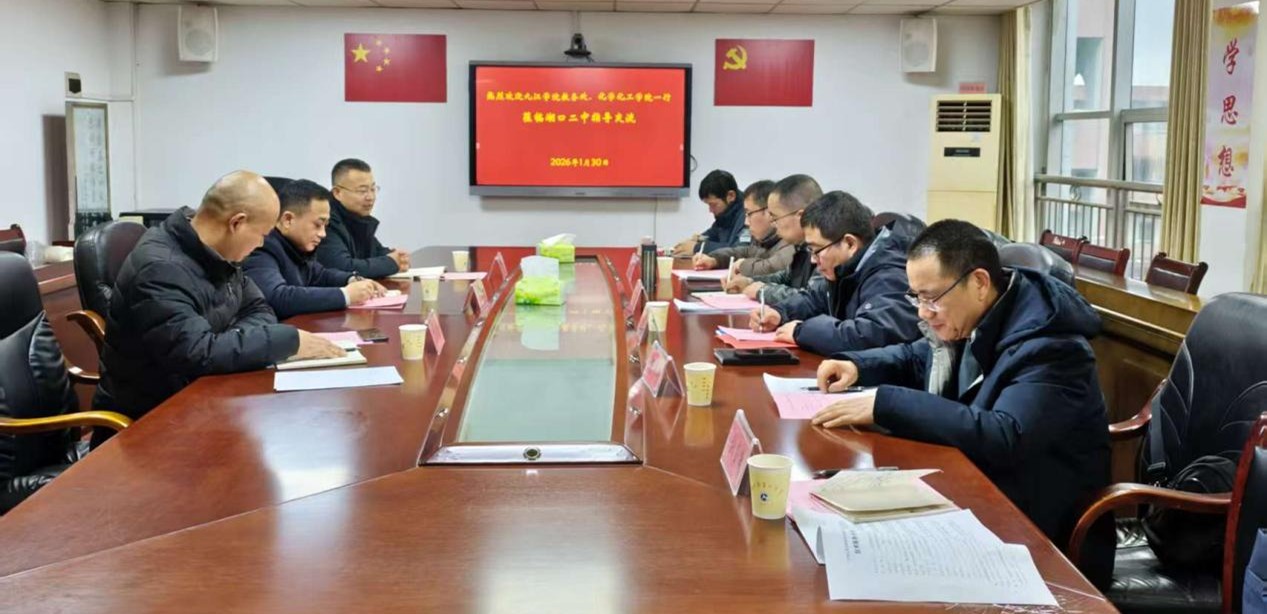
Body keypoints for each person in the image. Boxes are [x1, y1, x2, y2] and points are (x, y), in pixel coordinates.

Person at [810, 219, 1110, 544]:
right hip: (975, 494)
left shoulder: (1053, 347)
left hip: (1036, 527)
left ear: (979, 282)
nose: (923, 313)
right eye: (916, 298)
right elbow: (916, 356)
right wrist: (857, 365)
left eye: (931, 298)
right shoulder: (979, 315)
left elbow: (1005, 435)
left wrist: (887, 404)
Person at [94, 171, 346, 421]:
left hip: (205, 398)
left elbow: (260, 308)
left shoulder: (219, 253)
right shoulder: (160, 268)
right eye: (262, 235)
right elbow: (196, 353)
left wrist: (226, 341)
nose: (261, 245)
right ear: (236, 223)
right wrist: (286, 340)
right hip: (154, 418)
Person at [748, 191, 920, 355]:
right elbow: (815, 298)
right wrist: (780, 313)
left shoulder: (890, 275)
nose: (813, 260)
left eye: (816, 250)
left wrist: (802, 331)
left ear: (849, 244)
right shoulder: (847, 267)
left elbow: (870, 335)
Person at [243, 179, 388, 320]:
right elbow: (276, 297)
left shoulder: (295, 246)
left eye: (325, 225)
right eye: (318, 225)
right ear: (288, 220)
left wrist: (352, 279)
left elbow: (321, 275)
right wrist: (345, 295)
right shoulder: (261, 247)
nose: (323, 234)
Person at [724, 174, 822, 303]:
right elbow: (786, 277)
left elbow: (811, 299)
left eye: (776, 218)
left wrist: (762, 291)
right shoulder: (802, 246)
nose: (773, 224)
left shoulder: (826, 249)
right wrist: (749, 282)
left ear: (801, 217)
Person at [315, 158, 410, 278]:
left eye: (373, 189)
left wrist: (398, 258)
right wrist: (391, 263)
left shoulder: (356, 218)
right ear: (337, 193)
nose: (370, 197)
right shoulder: (325, 220)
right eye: (362, 191)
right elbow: (343, 267)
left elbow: (374, 252)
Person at [691, 180, 795, 277]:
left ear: (770, 212)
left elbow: (772, 267)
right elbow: (743, 252)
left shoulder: (790, 239)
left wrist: (743, 265)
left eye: (749, 214)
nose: (746, 222)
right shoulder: (766, 241)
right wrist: (715, 259)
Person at [671, 169, 746, 257]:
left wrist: (697, 248)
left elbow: (740, 250)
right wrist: (697, 240)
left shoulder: (748, 214)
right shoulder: (726, 214)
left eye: (713, 204)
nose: (710, 210)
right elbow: (713, 233)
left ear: (731, 196)